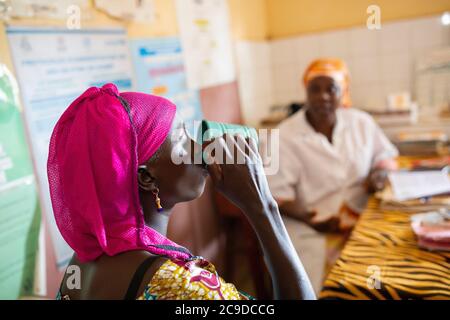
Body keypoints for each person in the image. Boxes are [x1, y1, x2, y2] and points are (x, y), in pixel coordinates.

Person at [48, 83, 315, 300]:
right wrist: (263, 208)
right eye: (181, 140)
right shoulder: (179, 286)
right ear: (146, 177)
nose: (198, 147)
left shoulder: (82, 261)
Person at [266, 58, 398, 290]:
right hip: (311, 230)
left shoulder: (361, 122)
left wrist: (379, 174)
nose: (323, 96)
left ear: (344, 92)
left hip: (364, 223)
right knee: (330, 290)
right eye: (314, 89)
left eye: (331, 89)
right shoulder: (282, 137)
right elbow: (274, 196)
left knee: (384, 284)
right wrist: (311, 218)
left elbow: (385, 157)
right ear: (305, 92)